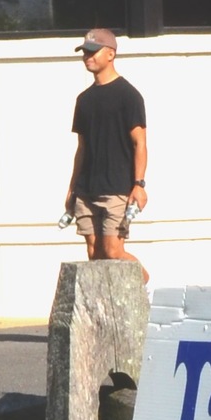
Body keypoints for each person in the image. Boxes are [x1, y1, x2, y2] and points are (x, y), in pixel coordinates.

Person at [64, 29, 148, 265]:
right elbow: (82, 148)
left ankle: (142, 285)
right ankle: (105, 303)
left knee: (112, 250)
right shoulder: (84, 99)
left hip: (117, 188)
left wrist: (139, 185)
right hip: (86, 188)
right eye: (84, 52)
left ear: (110, 54)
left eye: (93, 52)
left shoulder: (128, 95)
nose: (87, 57)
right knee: (95, 253)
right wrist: (72, 188)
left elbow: (140, 142)